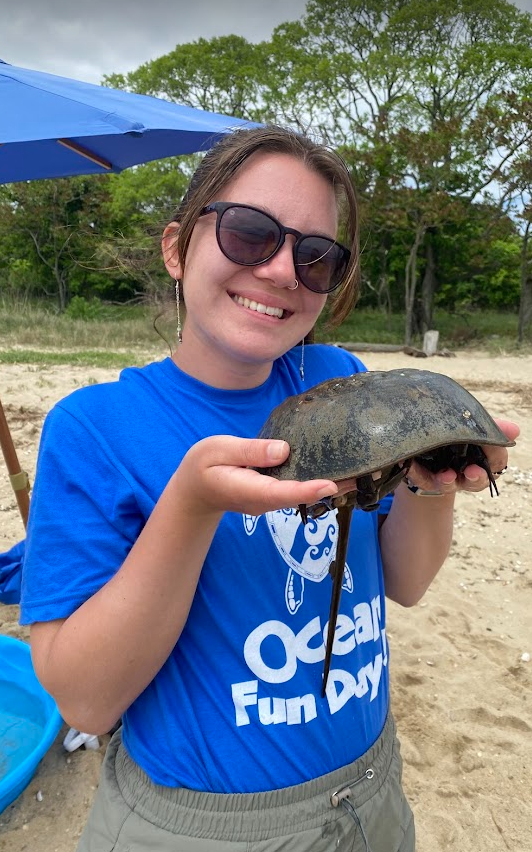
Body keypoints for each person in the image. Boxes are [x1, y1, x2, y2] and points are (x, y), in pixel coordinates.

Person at [20, 125, 518, 852]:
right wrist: (191, 507)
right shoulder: (98, 428)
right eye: (250, 234)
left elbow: (405, 582)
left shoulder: (340, 379)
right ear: (175, 247)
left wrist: (432, 481)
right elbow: (87, 701)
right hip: (203, 825)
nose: (285, 270)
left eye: (317, 256)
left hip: (372, 788)